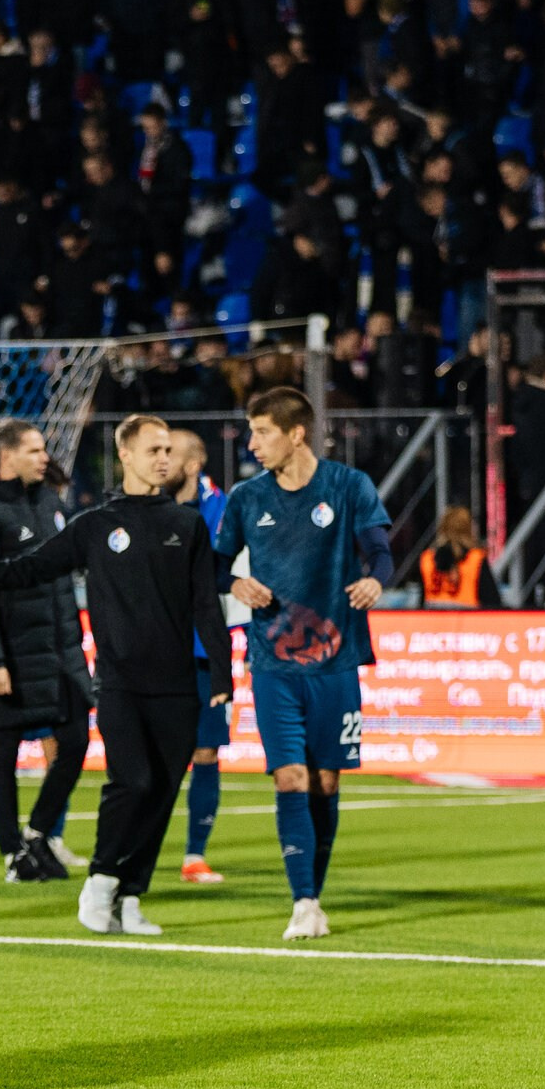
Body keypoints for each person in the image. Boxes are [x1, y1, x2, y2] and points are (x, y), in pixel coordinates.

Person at [0, 415, 231, 934]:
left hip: (180, 685)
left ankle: (131, 895)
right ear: (127, 457)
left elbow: (207, 604)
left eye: (169, 450)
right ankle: (100, 880)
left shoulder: (188, 524)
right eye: (154, 450)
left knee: (161, 792)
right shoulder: (97, 524)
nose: (165, 459)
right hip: (119, 683)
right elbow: (32, 566)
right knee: (131, 781)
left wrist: (223, 675)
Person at [211, 387, 393, 941]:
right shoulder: (247, 497)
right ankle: (303, 900)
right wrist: (235, 580)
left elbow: (379, 550)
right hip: (271, 660)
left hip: (336, 660)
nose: (252, 443)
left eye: (262, 431)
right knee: (289, 776)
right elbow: (217, 567)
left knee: (326, 781)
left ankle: (315, 891)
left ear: (296, 433)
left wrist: (374, 580)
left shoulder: (347, 486)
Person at [0, 419, 89, 883]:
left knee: (75, 743)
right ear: (7, 457)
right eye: (33, 450)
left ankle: (37, 834)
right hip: (11, 653)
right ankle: (13, 854)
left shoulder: (51, 502)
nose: (43, 457)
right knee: (4, 750)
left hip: (61, 651)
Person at [170, 427, 234, 886]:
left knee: (206, 752)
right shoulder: (146, 507)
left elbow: (237, 576)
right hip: (155, 649)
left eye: (169, 452)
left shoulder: (223, 509)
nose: (161, 460)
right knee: (157, 756)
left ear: (193, 464)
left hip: (203, 651)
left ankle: (195, 855)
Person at [419, 506, 498, 607]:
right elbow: (492, 603)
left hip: (432, 621)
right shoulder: (476, 559)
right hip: (468, 620)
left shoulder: (427, 558)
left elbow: (421, 604)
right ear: (468, 529)